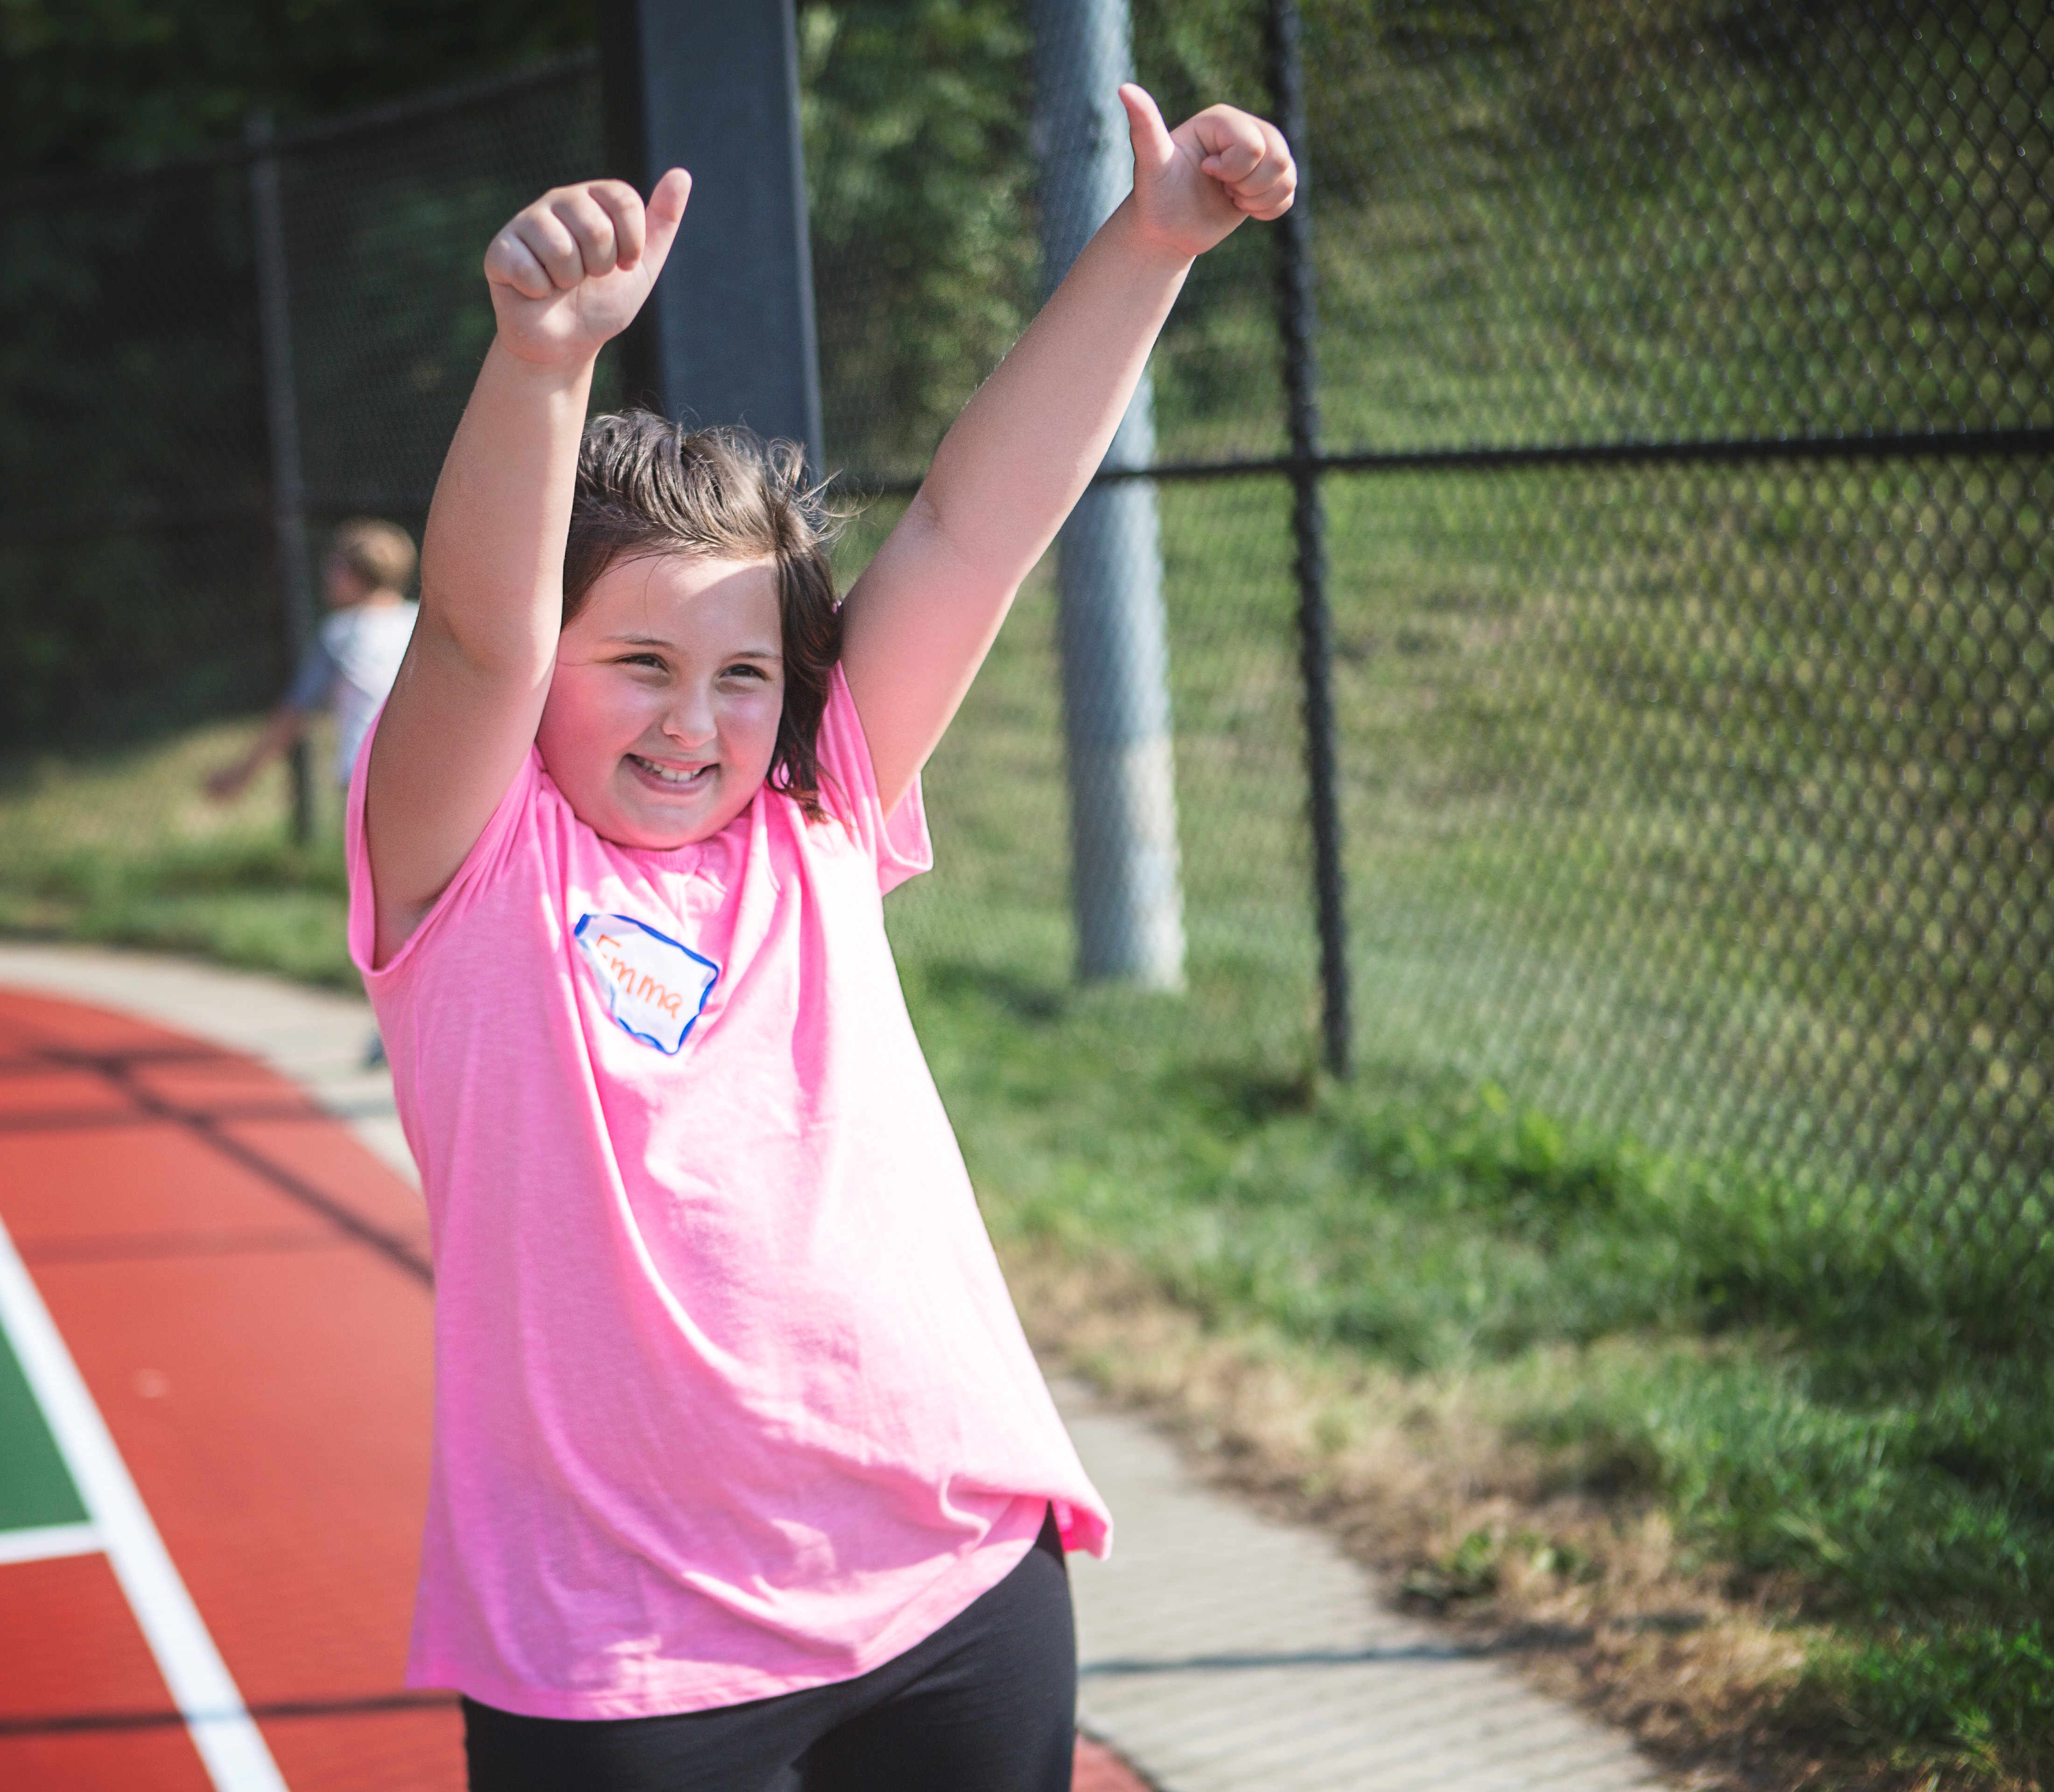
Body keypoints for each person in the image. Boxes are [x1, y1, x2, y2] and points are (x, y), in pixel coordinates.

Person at [351, 82, 1294, 1792]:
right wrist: (542, 365)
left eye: (742, 676)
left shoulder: (820, 813)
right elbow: (482, 642)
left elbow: (970, 526)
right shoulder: (472, 867)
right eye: (637, 662)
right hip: (621, 1651)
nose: (693, 722)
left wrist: (1155, 245)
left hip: (945, 1578)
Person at [207, 517, 420, 803]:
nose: (326, 577)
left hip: (367, 777)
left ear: (355, 575)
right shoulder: (422, 623)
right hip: (427, 770)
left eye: (333, 568)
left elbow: (294, 713)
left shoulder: (342, 634)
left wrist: (241, 775)